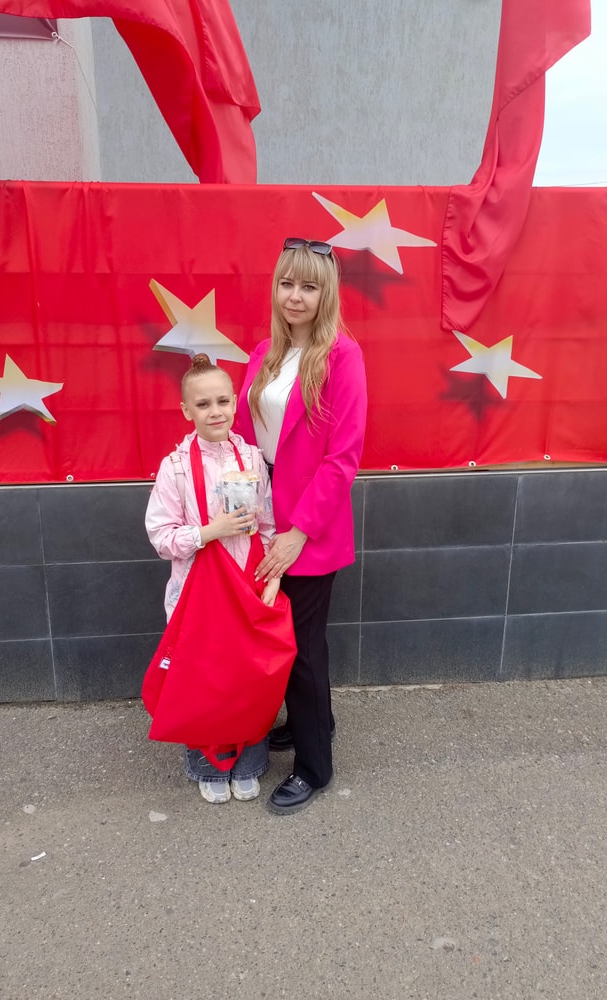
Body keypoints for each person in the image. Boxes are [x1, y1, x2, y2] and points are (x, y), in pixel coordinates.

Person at [236, 237, 367, 815]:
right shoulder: (266, 350)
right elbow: (244, 437)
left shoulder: (342, 356)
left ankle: (315, 768)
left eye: (308, 286)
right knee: (281, 636)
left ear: (325, 293)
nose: (295, 296)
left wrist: (299, 531)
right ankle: (316, 720)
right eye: (287, 283)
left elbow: (343, 458)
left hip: (309, 522)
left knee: (304, 647)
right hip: (262, 514)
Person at [145, 353, 280, 805]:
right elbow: (161, 537)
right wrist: (210, 531)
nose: (215, 411)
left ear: (235, 403)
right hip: (195, 594)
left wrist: (272, 577)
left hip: (247, 587)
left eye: (223, 401)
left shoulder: (252, 458)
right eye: (203, 404)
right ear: (187, 410)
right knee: (201, 679)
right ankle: (207, 764)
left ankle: (250, 761)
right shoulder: (175, 467)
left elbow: (267, 525)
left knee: (247, 677)